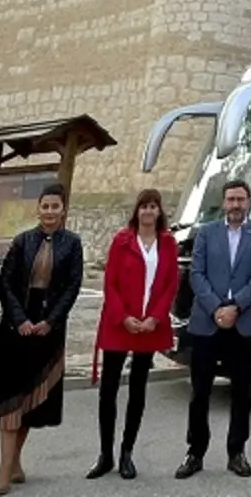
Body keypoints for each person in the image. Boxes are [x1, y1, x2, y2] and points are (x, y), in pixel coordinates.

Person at [0, 182, 84, 496]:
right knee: (10, 398)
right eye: (45, 206)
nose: (49, 212)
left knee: (31, 400)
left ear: (63, 210)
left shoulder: (72, 244)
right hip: (16, 327)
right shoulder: (22, 241)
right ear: (39, 209)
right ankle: (4, 470)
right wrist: (20, 319)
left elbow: (72, 287)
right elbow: (5, 283)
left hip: (49, 326)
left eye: (55, 207)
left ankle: (15, 462)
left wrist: (50, 321)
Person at [175, 179, 251, 480]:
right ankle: (195, 452)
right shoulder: (206, 233)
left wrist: (236, 306)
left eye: (240, 200)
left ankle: (236, 452)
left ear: (248, 201)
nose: (235, 205)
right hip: (207, 322)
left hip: (243, 322)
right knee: (200, 392)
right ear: (224, 201)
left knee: (241, 391)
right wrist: (217, 308)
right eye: (230, 199)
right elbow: (197, 274)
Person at [86, 188, 180, 480]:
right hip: (120, 323)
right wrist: (123, 317)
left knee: (138, 389)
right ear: (137, 211)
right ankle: (105, 454)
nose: (148, 211)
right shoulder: (122, 240)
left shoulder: (167, 243)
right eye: (144, 206)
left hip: (149, 325)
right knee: (109, 390)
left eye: (153, 206)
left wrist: (155, 317)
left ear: (159, 211)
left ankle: (127, 452)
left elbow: (170, 284)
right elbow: (110, 283)